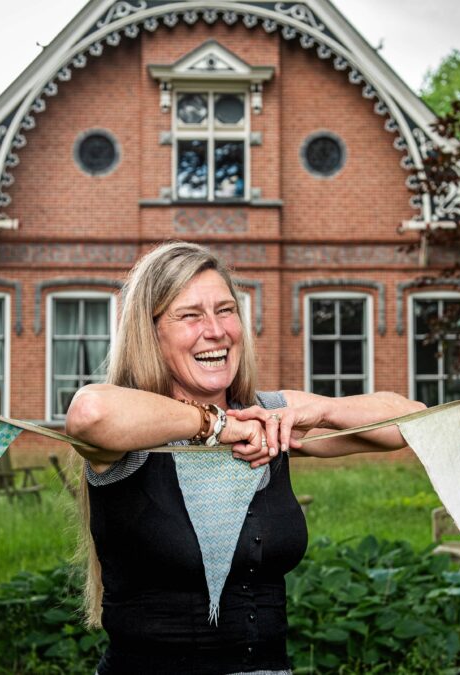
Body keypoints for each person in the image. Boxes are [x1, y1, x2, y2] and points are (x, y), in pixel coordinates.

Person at [65, 242, 424, 675]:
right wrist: (223, 428)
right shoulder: (127, 431)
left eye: (226, 310)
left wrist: (323, 411)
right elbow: (90, 413)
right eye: (190, 315)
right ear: (151, 331)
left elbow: (413, 421)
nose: (215, 330)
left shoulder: (266, 413)